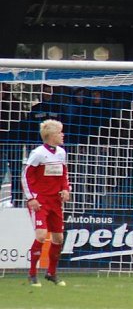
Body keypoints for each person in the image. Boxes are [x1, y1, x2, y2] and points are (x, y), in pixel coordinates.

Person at [22, 120, 70, 287]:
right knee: (42, 235)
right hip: (40, 201)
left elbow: (63, 173)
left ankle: (51, 273)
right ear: (50, 136)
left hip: (55, 201)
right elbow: (26, 176)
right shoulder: (38, 153)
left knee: (58, 238)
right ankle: (32, 274)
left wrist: (65, 189)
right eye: (59, 132)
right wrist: (31, 198)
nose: (62, 135)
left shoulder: (61, 153)